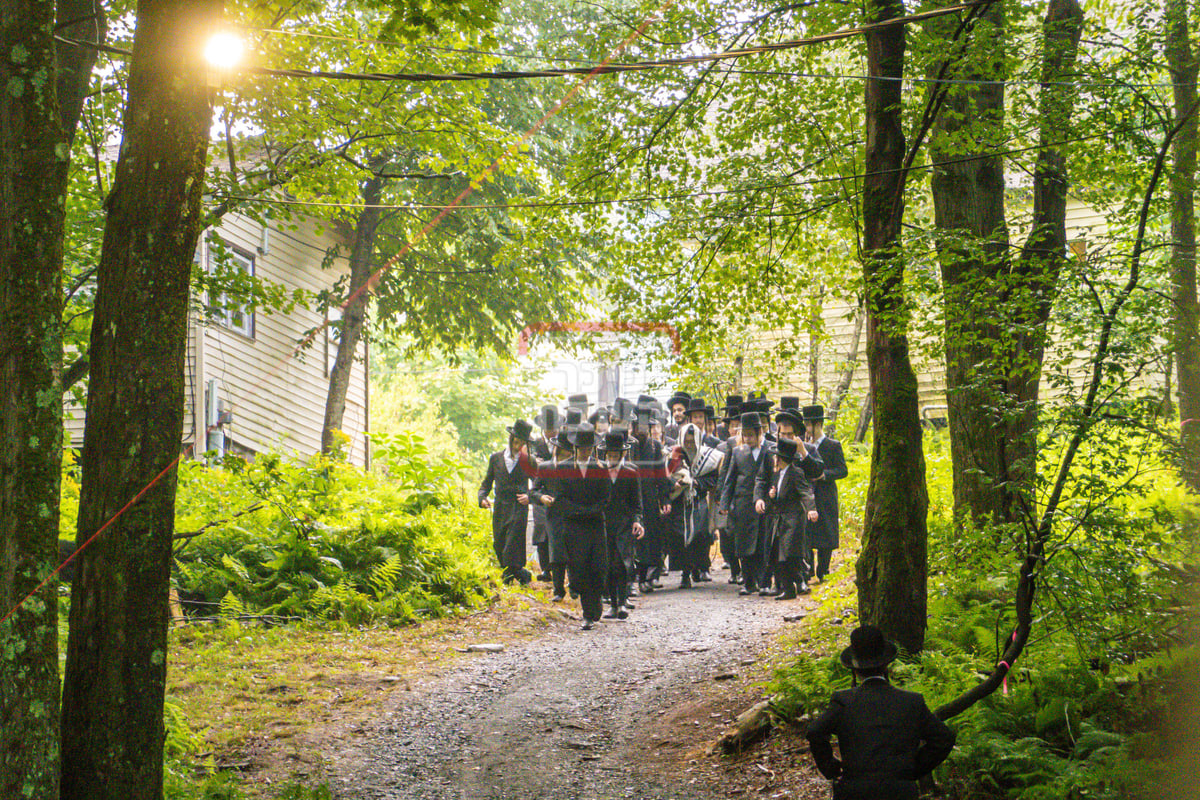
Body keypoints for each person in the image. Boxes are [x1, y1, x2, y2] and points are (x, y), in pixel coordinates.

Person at [806, 626, 955, 800]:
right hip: (900, 793)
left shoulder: (843, 701)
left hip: (854, 791)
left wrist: (830, 767)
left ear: (854, 669)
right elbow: (944, 738)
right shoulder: (911, 702)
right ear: (886, 664)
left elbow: (815, 732)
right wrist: (912, 769)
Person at [552, 422, 611, 629]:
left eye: (589, 448)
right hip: (574, 527)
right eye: (582, 448)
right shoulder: (564, 468)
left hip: (595, 525)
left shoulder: (601, 468)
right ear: (576, 449)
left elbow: (606, 498)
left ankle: (595, 607)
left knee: (597, 567)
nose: (585, 452)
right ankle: (587, 613)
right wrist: (579, 511)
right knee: (579, 568)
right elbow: (559, 498)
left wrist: (592, 510)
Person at [755, 437, 817, 599]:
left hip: (793, 520)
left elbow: (805, 492)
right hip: (779, 520)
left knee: (788, 555)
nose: (774, 459)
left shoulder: (796, 472)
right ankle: (788, 589)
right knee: (776, 555)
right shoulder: (777, 474)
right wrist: (771, 495)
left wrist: (811, 510)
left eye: (776, 456)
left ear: (780, 458)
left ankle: (798, 580)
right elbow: (777, 495)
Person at [478, 419, 536, 584]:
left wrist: (529, 497)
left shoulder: (528, 461)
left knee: (512, 541)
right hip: (501, 506)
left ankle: (508, 578)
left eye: (522, 444)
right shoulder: (496, 458)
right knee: (500, 543)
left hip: (518, 506)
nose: (518, 447)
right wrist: (482, 498)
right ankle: (520, 574)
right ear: (511, 439)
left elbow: (540, 485)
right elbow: (486, 483)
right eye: (516, 442)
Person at [720, 411, 769, 595]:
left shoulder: (769, 450)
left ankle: (763, 582)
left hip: (764, 505)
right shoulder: (737, 452)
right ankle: (749, 583)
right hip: (743, 504)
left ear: (759, 433)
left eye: (751, 435)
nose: (747, 439)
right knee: (744, 545)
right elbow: (729, 479)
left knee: (762, 544)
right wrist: (724, 503)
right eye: (744, 435)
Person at [599, 430, 643, 619]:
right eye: (610, 455)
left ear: (622, 454)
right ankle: (613, 604)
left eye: (616, 455)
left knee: (623, 564)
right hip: (604, 525)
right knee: (608, 565)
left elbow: (637, 504)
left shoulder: (630, 473)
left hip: (624, 525)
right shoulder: (599, 473)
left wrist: (637, 522)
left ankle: (623, 602)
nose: (612, 458)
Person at [803, 405, 848, 583]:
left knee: (825, 533)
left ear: (818, 424)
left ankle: (823, 568)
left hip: (825, 494)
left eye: (808, 424)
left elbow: (843, 470)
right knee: (807, 532)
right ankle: (808, 569)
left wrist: (825, 475)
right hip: (808, 495)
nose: (806, 429)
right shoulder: (803, 446)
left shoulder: (832, 445)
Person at [629, 403, 671, 594]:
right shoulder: (628, 445)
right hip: (630, 499)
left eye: (646, 427)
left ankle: (647, 577)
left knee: (651, 539)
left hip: (649, 498)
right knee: (633, 540)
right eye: (640, 426)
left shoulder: (655, 446)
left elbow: (661, 475)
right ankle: (632, 579)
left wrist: (665, 499)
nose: (643, 430)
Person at [530, 427, 575, 600]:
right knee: (556, 552)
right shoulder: (546, 468)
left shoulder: (576, 469)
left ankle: (574, 585)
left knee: (573, 551)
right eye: (564, 452)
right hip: (553, 515)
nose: (567, 456)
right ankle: (558, 590)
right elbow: (533, 491)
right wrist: (542, 498)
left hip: (573, 514)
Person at [531, 405, 562, 582]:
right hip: (540, 491)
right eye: (549, 428)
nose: (552, 431)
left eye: (554, 427)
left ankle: (558, 568)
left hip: (559, 490)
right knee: (541, 530)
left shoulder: (563, 441)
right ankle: (546, 569)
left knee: (557, 531)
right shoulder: (534, 444)